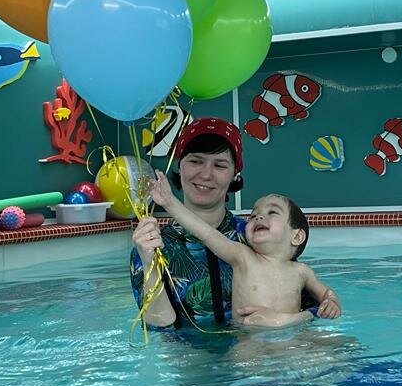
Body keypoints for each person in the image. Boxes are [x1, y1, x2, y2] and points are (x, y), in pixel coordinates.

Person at [130, 116, 340, 329]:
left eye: (220, 165)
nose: (206, 174)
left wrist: (283, 320)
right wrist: (149, 264)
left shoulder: (255, 235)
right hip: (191, 349)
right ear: (180, 165)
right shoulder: (152, 243)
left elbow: (311, 307)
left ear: (234, 174)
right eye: (195, 161)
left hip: (263, 342)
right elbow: (160, 327)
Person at [149, 172, 340, 328]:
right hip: (249, 342)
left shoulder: (302, 271)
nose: (258, 217)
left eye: (272, 212)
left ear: (296, 236)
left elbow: (326, 294)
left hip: (292, 338)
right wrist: (169, 202)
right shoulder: (243, 256)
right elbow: (206, 233)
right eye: (253, 215)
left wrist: (332, 303)